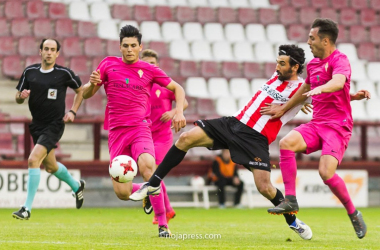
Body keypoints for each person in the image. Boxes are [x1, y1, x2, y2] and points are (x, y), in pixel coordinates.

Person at [131, 44, 319, 240]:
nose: (277, 67)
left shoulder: (302, 90)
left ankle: (293, 222)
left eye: (282, 64)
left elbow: (318, 95)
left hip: (255, 138)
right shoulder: (277, 76)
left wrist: (302, 103)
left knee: (265, 187)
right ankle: (153, 184)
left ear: (295, 67)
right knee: (186, 138)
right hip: (234, 123)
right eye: (277, 63)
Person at [263, 18, 370, 239]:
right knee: (286, 143)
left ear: (325, 40)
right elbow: (305, 89)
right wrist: (283, 108)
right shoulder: (312, 65)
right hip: (317, 123)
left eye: (312, 38)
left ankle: (353, 212)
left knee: (325, 173)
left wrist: (322, 90)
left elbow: (338, 82)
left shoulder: (340, 60)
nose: (308, 42)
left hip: (337, 127)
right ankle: (290, 200)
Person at [82, 25, 186, 237]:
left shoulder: (149, 69)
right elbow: (87, 95)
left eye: (133, 46)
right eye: (125, 46)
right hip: (117, 133)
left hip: (140, 128)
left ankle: (163, 225)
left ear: (140, 47)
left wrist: (179, 112)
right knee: (122, 193)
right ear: (120, 47)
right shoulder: (108, 64)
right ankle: (146, 190)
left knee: (149, 167)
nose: (129, 49)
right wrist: (92, 86)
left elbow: (178, 88)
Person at [12, 38, 86, 220]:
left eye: (53, 49)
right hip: (37, 124)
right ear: (40, 51)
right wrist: (21, 96)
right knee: (51, 166)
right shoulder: (30, 72)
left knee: (33, 159)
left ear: (57, 53)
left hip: (54, 124)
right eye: (46, 49)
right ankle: (77, 186)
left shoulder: (63, 73)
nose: (49, 52)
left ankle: (26, 209)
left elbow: (81, 90)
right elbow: (17, 98)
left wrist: (73, 111)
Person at [141, 49, 189, 225]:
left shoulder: (164, 83)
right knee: (153, 174)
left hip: (162, 136)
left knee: (153, 172)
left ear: (157, 65)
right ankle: (167, 209)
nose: (150, 66)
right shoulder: (140, 84)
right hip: (145, 135)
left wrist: (173, 111)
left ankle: (161, 211)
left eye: (152, 63)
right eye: (146, 63)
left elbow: (184, 101)